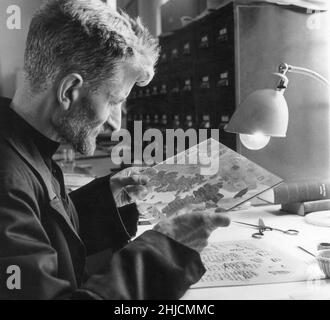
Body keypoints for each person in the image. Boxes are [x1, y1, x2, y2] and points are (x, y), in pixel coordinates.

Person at [0, 0, 230, 300]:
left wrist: (106, 199)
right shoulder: (6, 179)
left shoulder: (22, 143)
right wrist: (167, 249)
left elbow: (42, 233)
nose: (114, 121)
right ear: (69, 90)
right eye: (113, 100)